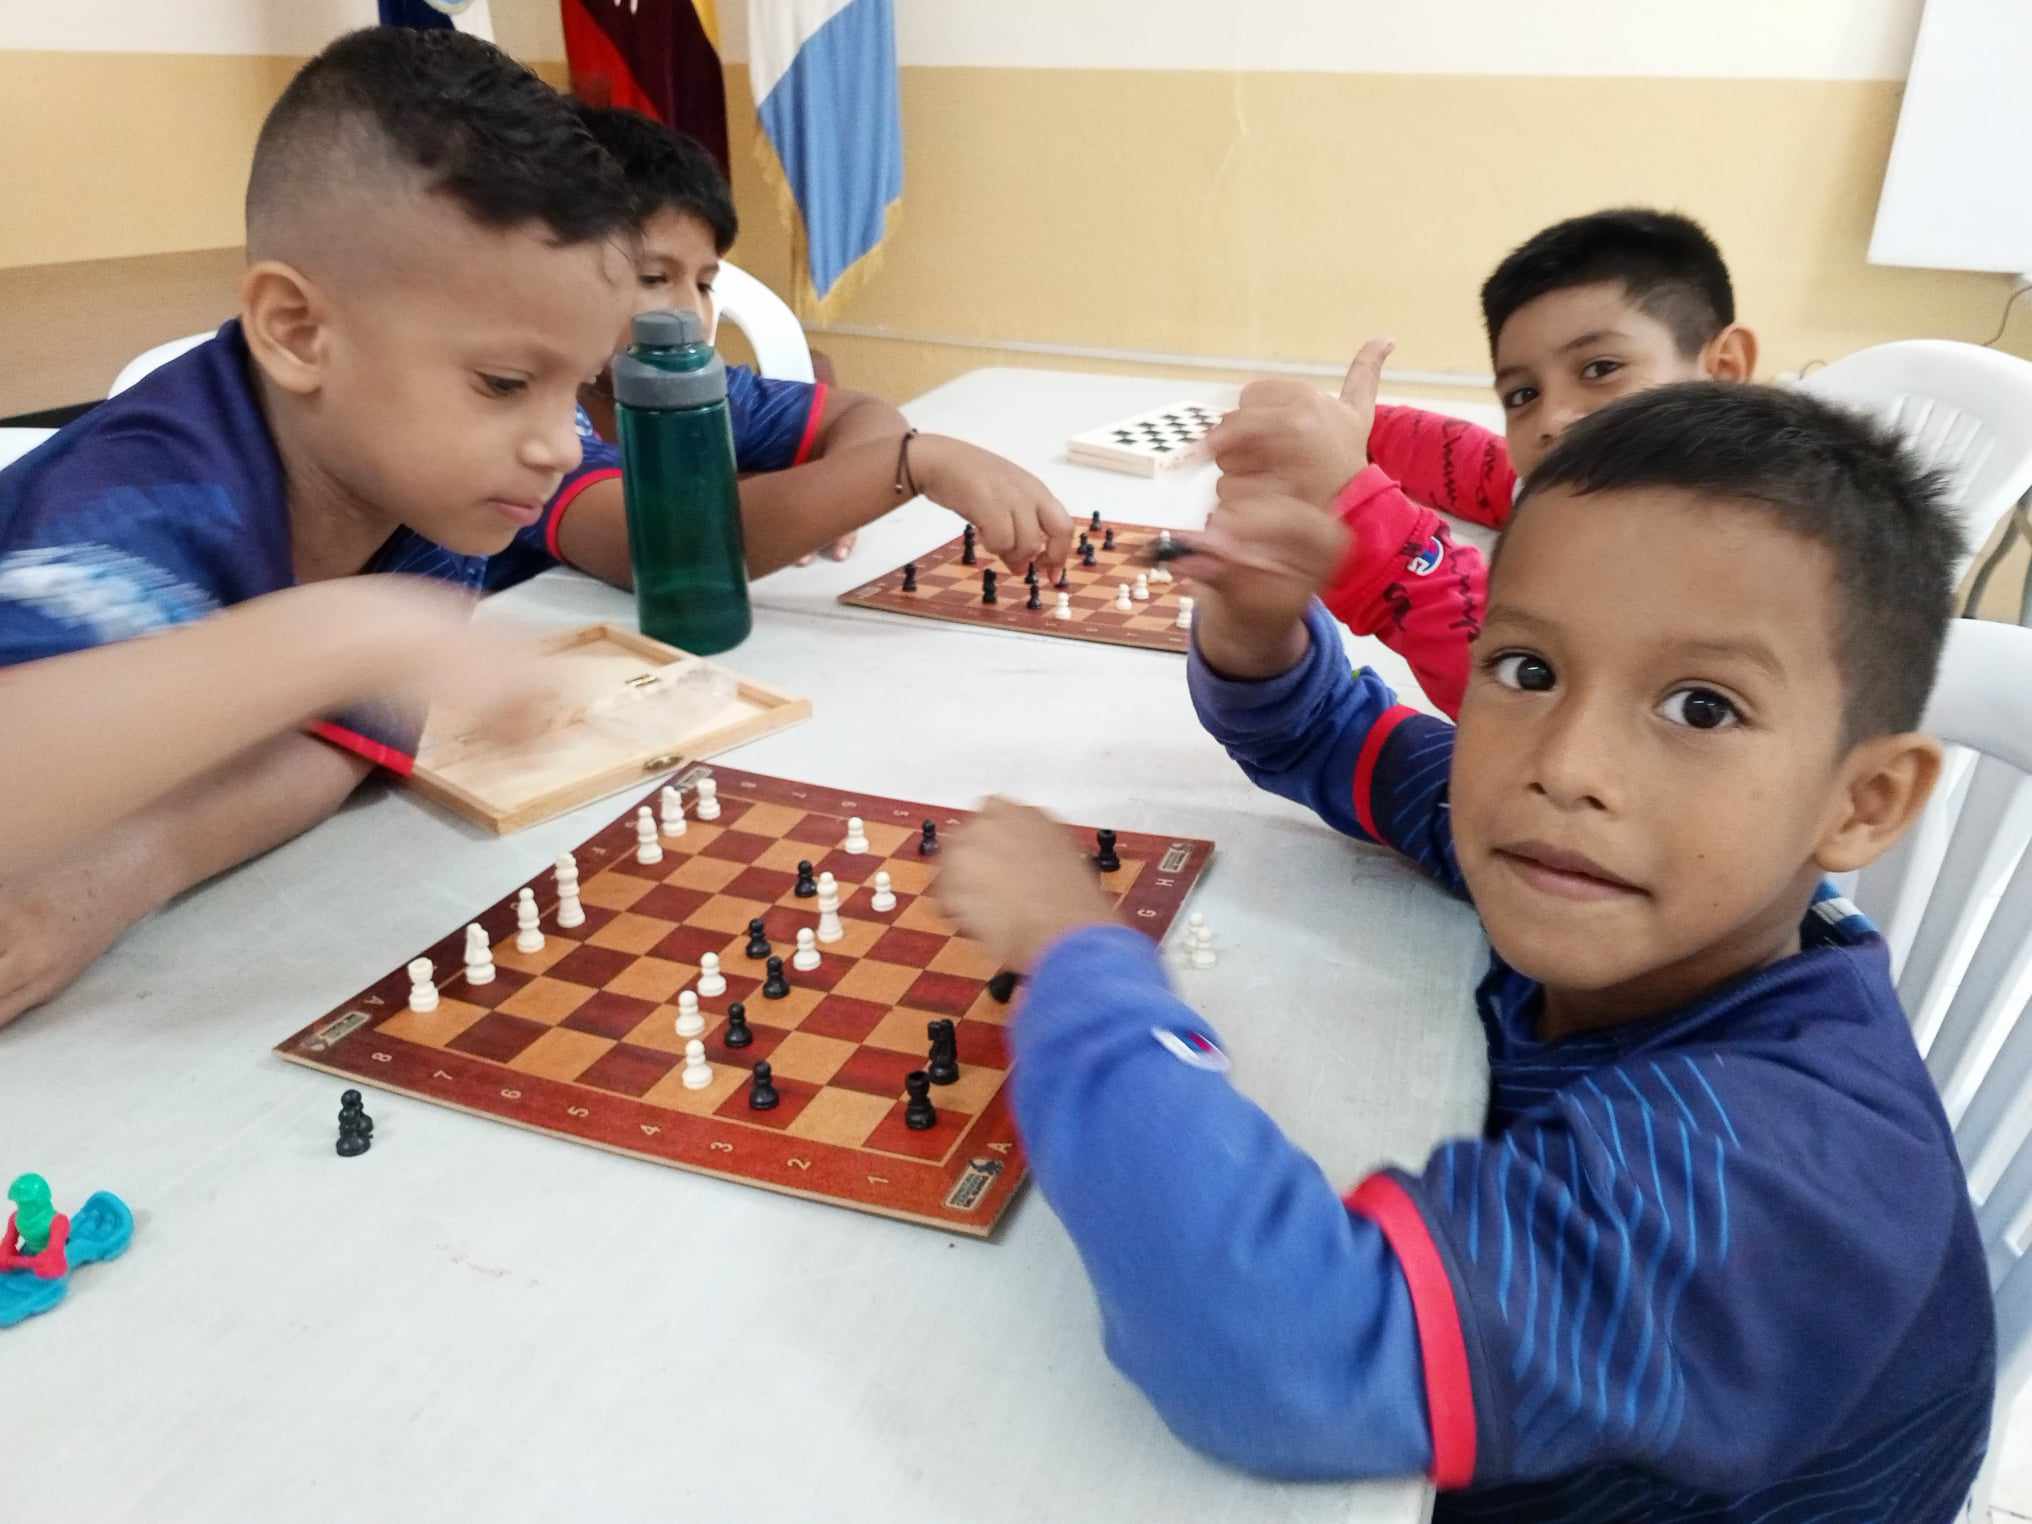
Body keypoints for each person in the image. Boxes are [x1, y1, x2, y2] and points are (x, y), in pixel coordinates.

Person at [939, 384, 1993, 1519]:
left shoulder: (1784, 1170)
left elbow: (1275, 1351)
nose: (1566, 765)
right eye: (1528, 670)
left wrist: (1078, 956)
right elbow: (1338, 737)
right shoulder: (1624, 876)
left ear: (1863, 801)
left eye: (1700, 708)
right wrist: (1259, 629)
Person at [0, 26, 639, 1026]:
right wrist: (350, 632)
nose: (561, 445)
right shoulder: (142, 497)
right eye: (505, 383)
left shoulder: (421, 489)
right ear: (299, 333)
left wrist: (127, 869)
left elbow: (342, 743)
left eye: (577, 388)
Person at [486, 104, 1073, 594]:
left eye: (705, 284)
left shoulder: (699, 390)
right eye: (653, 278)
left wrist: (832, 499)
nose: (689, 312)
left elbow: (858, 413)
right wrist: (911, 466)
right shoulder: (531, 421)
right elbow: (672, 554)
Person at [1211, 210, 1757, 717]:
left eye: (1600, 368)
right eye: (1523, 394)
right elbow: (1486, 470)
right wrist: (1346, 431)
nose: (1553, 419)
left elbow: (1523, 686)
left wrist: (1355, 505)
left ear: (1724, 369)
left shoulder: (1749, 562)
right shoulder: (1614, 480)